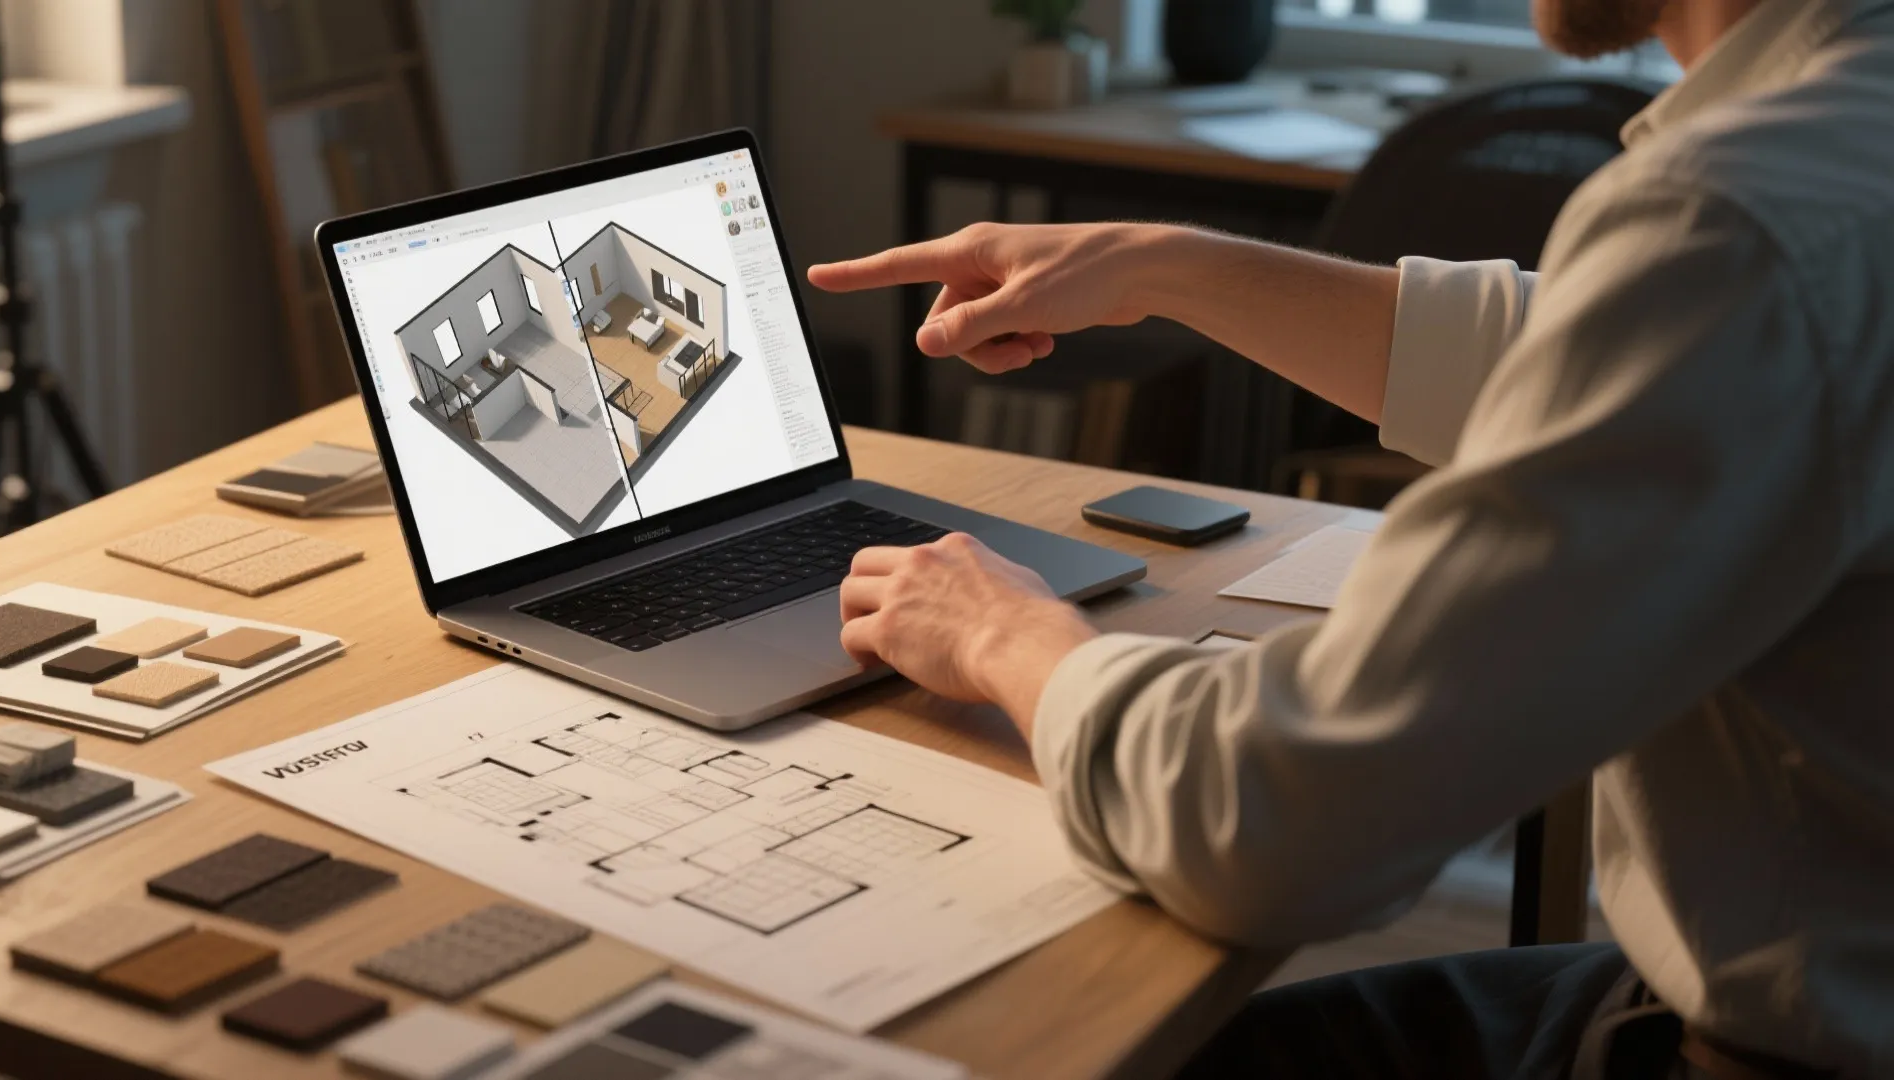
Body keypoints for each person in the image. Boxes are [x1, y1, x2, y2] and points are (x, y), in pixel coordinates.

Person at [808, 0, 1894, 1076]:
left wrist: (1006, 635)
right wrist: (1159, 264)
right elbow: (1596, 348)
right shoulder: (1837, 135)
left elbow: (1275, 822)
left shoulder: (1740, 213)